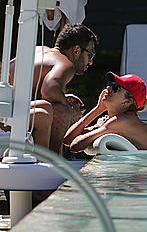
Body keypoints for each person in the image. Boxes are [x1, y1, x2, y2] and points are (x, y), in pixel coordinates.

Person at [7, 23, 98, 153]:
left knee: (55, 105)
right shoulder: (66, 64)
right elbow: (49, 90)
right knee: (62, 110)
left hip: (7, 110)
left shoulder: (40, 50)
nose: (91, 62)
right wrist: (69, 108)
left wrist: (62, 96)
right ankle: (53, 163)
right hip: (9, 118)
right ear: (76, 50)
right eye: (90, 55)